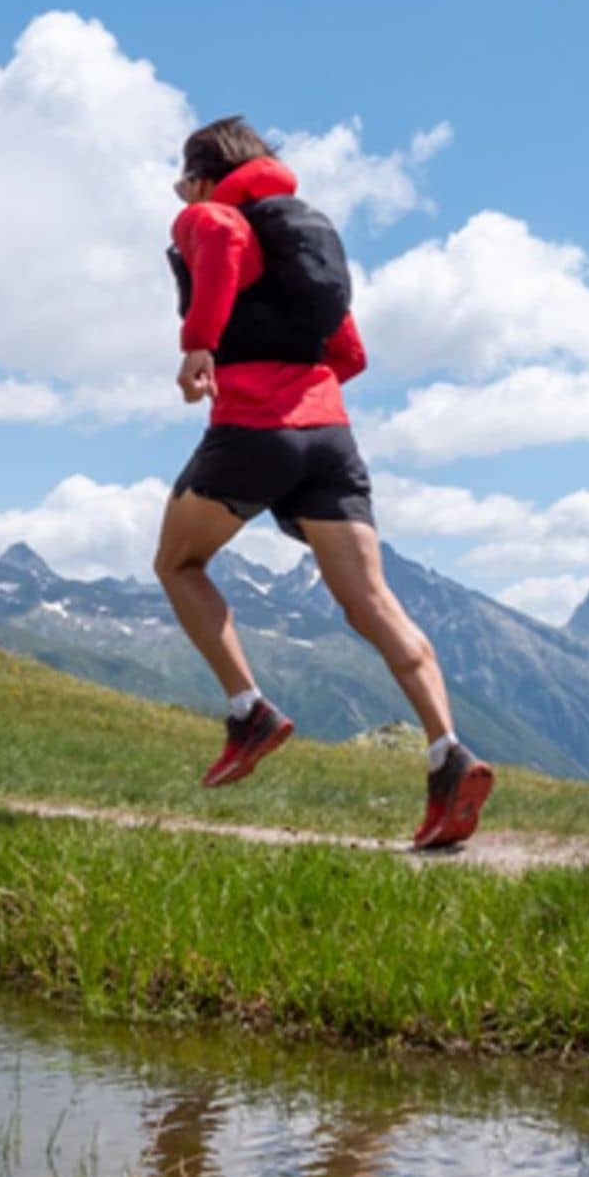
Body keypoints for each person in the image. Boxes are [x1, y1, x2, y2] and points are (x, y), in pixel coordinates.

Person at [153, 116, 493, 850]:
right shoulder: (304, 233)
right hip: (329, 435)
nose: (182, 195)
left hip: (254, 427)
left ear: (205, 176)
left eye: (186, 179)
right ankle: (447, 754)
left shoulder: (216, 215)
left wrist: (201, 346)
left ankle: (249, 712)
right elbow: (351, 348)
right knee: (369, 603)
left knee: (178, 564)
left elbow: (217, 241)